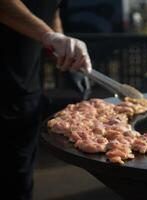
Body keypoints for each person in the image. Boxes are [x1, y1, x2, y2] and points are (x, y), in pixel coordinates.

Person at [0, 1, 92, 200]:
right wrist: (48, 35)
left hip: (25, 94)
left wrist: (60, 48)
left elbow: (52, 9)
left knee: (19, 183)